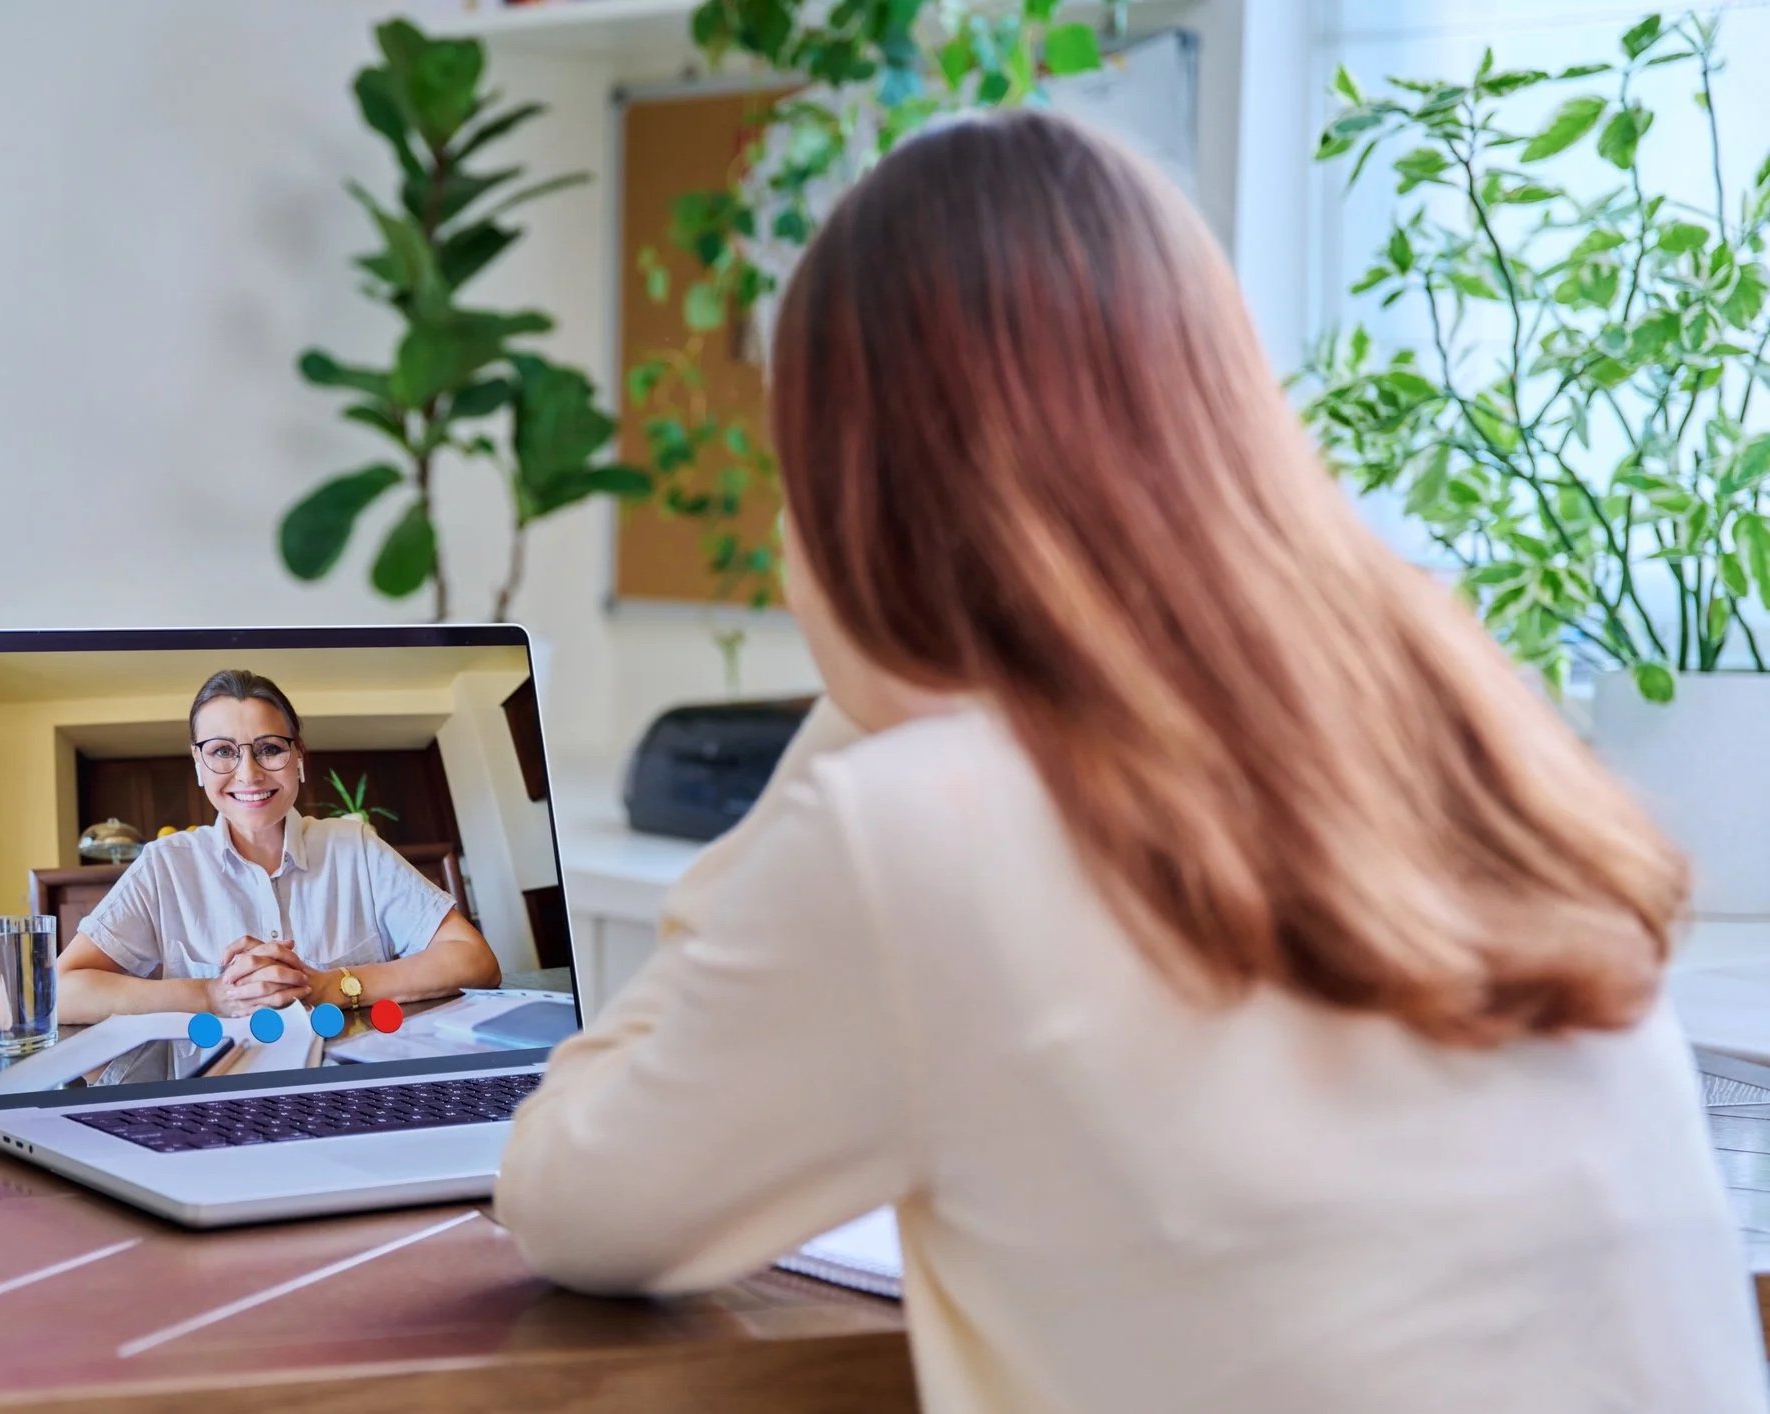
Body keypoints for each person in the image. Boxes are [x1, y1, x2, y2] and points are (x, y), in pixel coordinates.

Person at [495, 111, 1767, 1411]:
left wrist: (879, 700)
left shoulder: (919, 826)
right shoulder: (1458, 730)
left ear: (858, 495)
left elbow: (575, 1196)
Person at [55, 669, 500, 1025]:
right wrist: (212, 993)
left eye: (269, 748)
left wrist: (332, 985)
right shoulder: (164, 865)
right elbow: (61, 992)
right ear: (198, 763)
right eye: (223, 751)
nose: (248, 774)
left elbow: (474, 958)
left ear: (299, 757)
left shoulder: (355, 847)